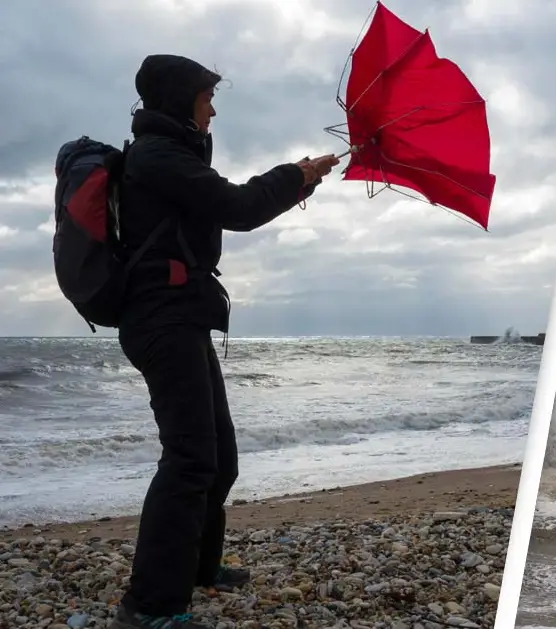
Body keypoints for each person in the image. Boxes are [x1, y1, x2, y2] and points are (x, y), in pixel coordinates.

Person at [109, 54, 340, 629]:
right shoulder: (157, 156)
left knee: (220, 456)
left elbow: (231, 204)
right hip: (161, 320)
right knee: (190, 459)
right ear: (180, 99)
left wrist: (301, 178)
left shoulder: (175, 152)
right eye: (206, 97)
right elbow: (236, 207)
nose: (212, 109)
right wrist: (295, 175)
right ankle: (149, 606)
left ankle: (197, 568)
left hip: (181, 316)